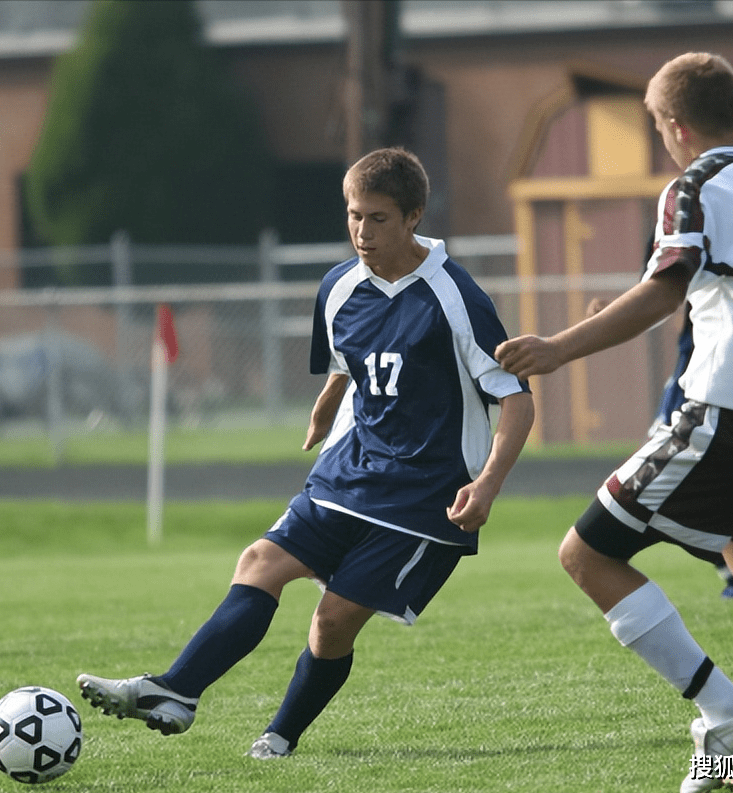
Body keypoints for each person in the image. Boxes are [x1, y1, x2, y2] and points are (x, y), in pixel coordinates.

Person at [77, 147, 534, 760]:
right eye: (353, 216)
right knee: (261, 561)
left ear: (413, 217)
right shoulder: (339, 288)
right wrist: (326, 403)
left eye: (377, 218)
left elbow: (517, 397)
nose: (361, 232)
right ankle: (176, 691)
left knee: (332, 621)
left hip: (426, 495)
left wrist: (488, 486)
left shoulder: (456, 298)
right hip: (350, 470)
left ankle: (280, 735)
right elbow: (350, 361)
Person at [495, 52, 733, 791]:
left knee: (586, 554)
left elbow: (662, 292)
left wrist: (556, 349)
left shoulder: (692, 186)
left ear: (675, 125)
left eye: (655, 126)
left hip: (727, 410)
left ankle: (724, 710)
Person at [586, 291, 733, 600]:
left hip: (707, 367)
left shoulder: (709, 242)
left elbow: (663, 294)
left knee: (660, 482)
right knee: (674, 473)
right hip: (708, 362)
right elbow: (665, 289)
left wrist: (562, 346)